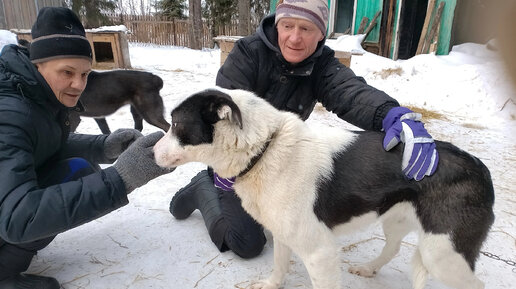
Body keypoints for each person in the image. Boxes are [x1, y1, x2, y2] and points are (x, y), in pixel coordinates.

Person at [169, 0, 439, 259]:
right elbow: (222, 115)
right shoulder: (248, 54)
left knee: (296, 222)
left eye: (306, 29)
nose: (294, 38)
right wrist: (224, 169)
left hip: (279, 160)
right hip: (235, 164)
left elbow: (350, 92)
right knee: (247, 243)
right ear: (277, 26)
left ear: (320, 35)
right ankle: (203, 187)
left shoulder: (321, 65)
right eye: (288, 26)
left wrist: (391, 113)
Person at [0, 7, 171, 289]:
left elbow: (42, 143)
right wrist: (121, 179)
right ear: (37, 64)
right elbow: (19, 216)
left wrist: (103, 147)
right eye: (67, 72)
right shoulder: (10, 114)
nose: (78, 84)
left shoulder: (31, 91)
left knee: (80, 168)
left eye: (85, 73)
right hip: (11, 216)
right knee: (74, 177)